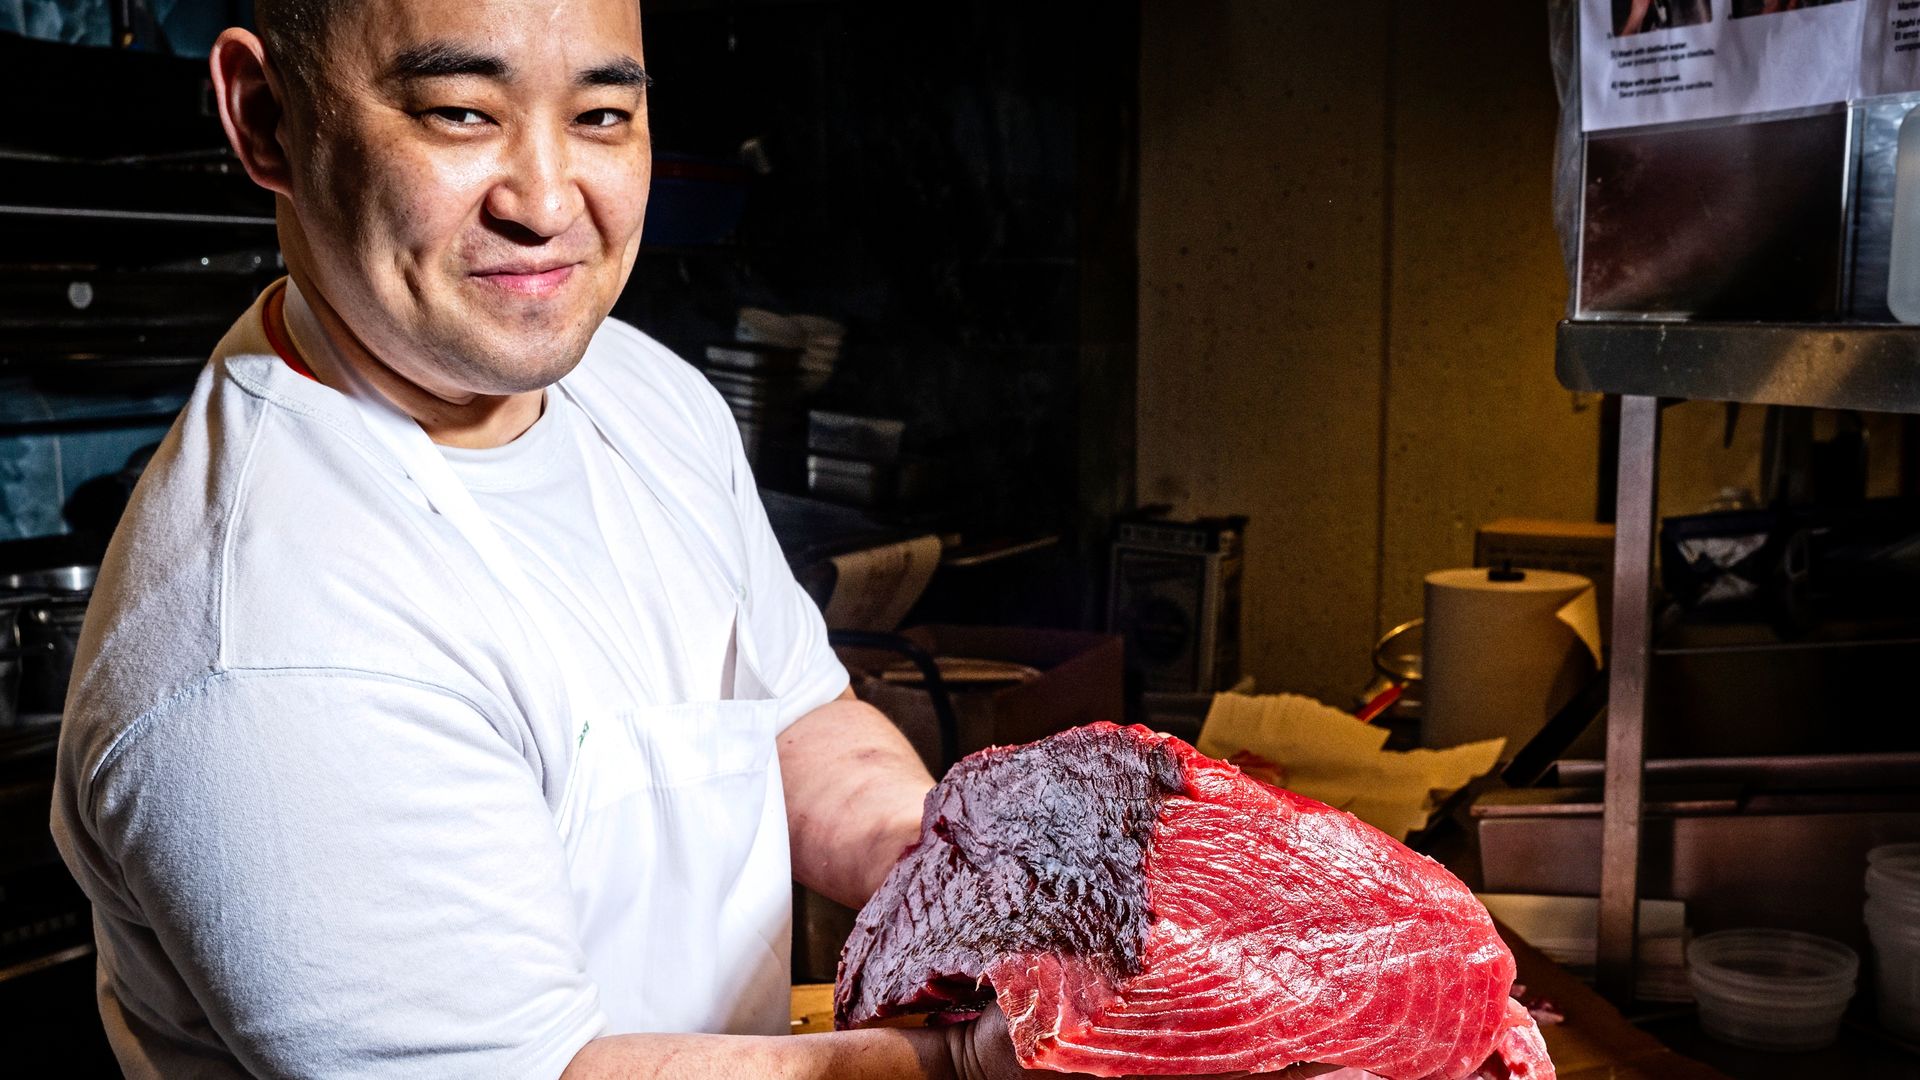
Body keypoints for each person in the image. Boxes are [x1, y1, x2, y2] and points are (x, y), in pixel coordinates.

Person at [50, 0, 1327, 1076]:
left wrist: (983, 891)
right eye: (460, 112)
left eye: (602, 115)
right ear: (267, 119)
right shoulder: (272, 642)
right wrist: (991, 1055)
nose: (550, 200)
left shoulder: (636, 392)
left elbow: (787, 720)